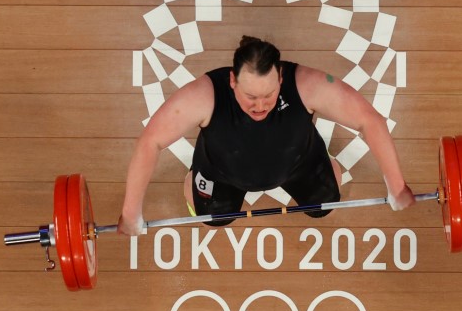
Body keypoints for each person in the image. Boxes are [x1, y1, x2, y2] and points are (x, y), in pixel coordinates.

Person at [118, 36, 414, 235]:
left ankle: (325, 162)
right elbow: (150, 141)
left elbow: (370, 121)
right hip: (221, 172)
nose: (259, 106)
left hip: (299, 163)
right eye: (250, 96)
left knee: (325, 206)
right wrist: (130, 213)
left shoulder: (307, 84)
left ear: (281, 78)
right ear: (232, 81)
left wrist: (397, 186)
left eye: (269, 95)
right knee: (213, 220)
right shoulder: (205, 95)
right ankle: (193, 177)